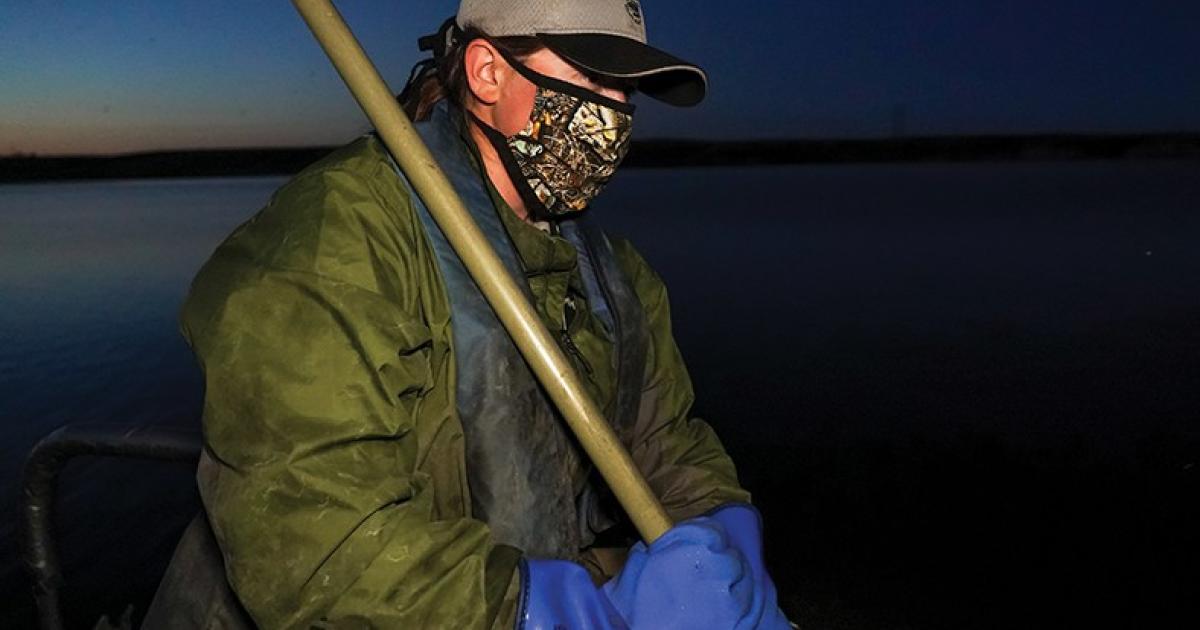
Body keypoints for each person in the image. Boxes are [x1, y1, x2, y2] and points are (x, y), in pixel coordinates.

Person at [149, 1, 791, 628]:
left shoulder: (613, 271)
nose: (616, 115)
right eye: (595, 79)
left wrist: (721, 526)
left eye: (629, 92)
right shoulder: (339, 239)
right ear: (487, 73)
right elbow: (312, 540)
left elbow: (663, 439)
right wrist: (535, 609)